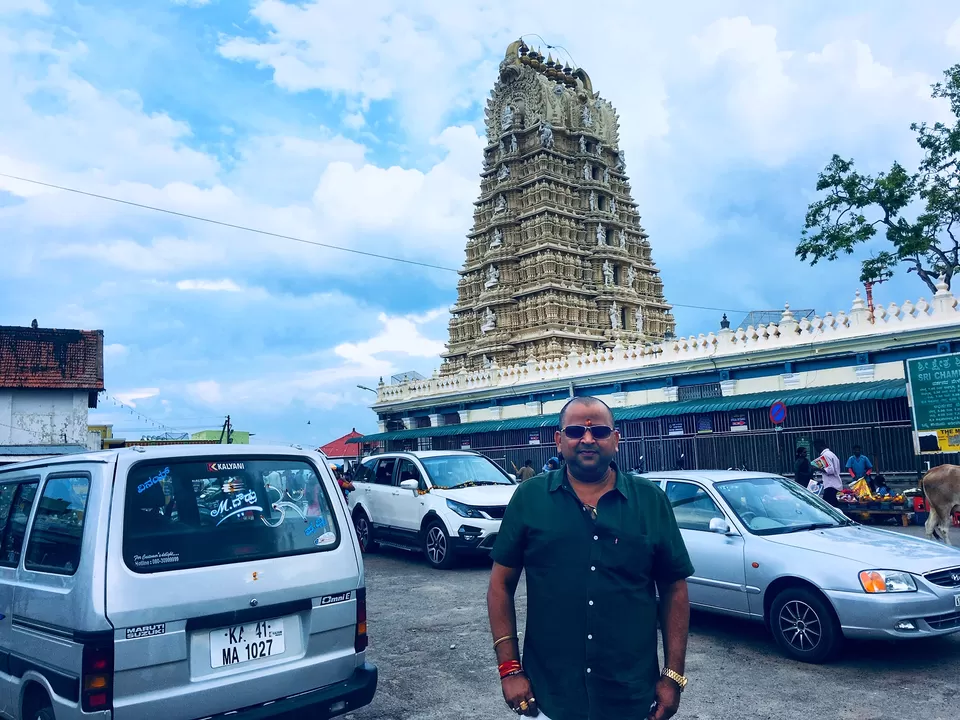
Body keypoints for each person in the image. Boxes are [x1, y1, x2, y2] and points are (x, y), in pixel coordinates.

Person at [487, 396, 693, 720]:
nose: (586, 439)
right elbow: (500, 585)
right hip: (548, 699)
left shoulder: (650, 501)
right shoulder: (530, 498)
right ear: (558, 440)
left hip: (632, 699)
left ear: (616, 439)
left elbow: (674, 589)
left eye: (598, 431)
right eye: (574, 432)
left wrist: (674, 676)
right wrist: (509, 668)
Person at [813, 439, 843, 507]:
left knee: (828, 507)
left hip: (830, 486)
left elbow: (830, 470)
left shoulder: (826, 455)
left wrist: (816, 468)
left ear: (819, 446)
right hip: (835, 484)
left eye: (816, 447)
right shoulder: (832, 454)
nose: (816, 450)